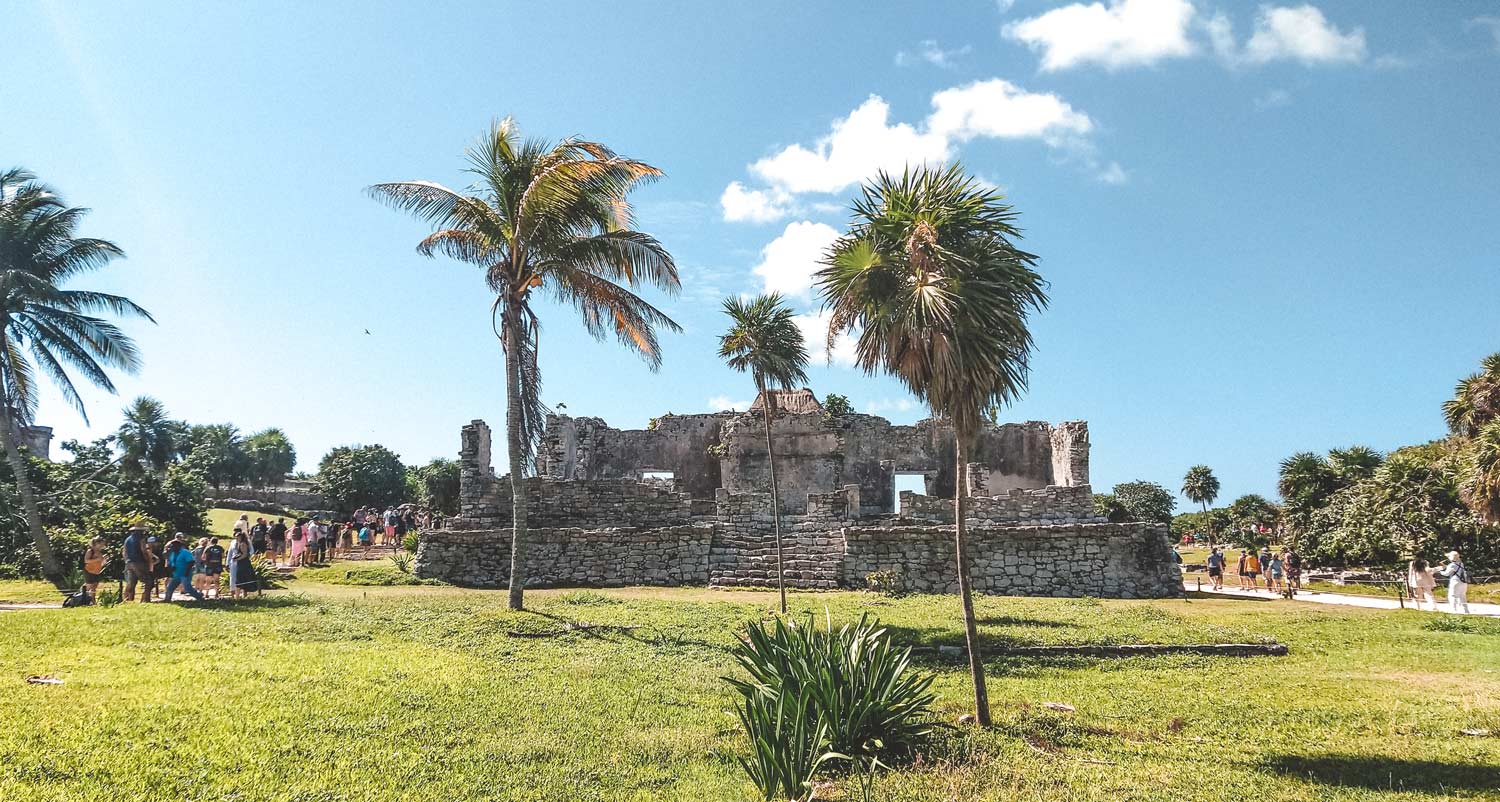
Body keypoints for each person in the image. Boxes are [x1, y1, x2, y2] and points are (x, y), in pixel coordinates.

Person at [122, 524, 152, 603]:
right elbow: (143, 550)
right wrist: (147, 559)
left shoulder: (127, 539)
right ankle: (145, 600)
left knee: (132, 582)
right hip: (139, 562)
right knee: (148, 581)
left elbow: (124, 552)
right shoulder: (141, 539)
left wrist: (127, 561)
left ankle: (129, 599)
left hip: (129, 563)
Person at [228, 532, 259, 599]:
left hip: (243, 563)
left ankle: (238, 597)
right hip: (240, 563)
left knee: (239, 579)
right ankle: (237, 596)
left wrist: (237, 559)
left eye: (238, 537)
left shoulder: (242, 544)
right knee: (238, 579)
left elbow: (245, 554)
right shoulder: (237, 543)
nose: (236, 538)